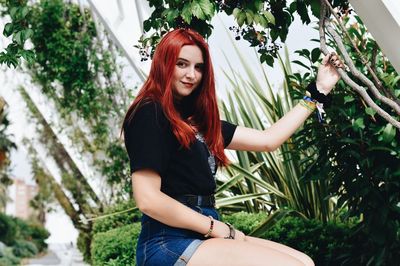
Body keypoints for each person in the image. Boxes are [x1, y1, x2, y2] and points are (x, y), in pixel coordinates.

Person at [123, 28, 343, 266]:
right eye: (182, 64)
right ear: (164, 64)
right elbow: (148, 199)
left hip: (205, 232)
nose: (191, 75)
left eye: (199, 67)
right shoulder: (149, 112)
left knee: (305, 262)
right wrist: (216, 228)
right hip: (169, 241)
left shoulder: (198, 121)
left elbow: (268, 140)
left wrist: (319, 92)